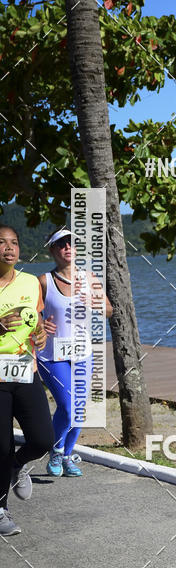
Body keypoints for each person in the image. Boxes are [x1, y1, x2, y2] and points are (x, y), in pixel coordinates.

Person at [37, 229, 112, 477]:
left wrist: (97, 304)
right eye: (61, 244)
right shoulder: (44, 281)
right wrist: (40, 325)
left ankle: (67, 456)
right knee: (68, 406)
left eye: (71, 243)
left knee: (79, 409)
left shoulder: (90, 278)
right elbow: (32, 313)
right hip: (52, 355)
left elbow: (109, 310)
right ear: (52, 250)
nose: (67, 247)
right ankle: (56, 451)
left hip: (82, 353)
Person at [0, 225, 54, 536]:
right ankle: (0, 509)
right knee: (0, 445)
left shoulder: (31, 282)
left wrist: (40, 332)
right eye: (1, 242)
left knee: (43, 440)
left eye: (14, 242)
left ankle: (15, 465)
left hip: (24, 370)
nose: (9, 247)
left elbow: (35, 319)